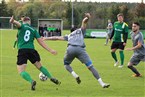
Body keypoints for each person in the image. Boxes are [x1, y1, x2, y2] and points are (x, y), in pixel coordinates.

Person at [43, 13, 110, 88]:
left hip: (70, 49)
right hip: (80, 50)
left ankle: (74, 74)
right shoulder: (81, 31)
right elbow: (84, 22)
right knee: (91, 67)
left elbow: (56, 38)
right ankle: (102, 83)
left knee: (66, 64)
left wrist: (45, 38)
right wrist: (87, 17)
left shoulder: (69, 35)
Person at [9, 16, 61, 91]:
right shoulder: (34, 30)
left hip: (22, 50)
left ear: (23, 21)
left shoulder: (22, 26)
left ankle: (32, 81)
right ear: (29, 22)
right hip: (31, 50)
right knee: (40, 67)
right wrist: (50, 50)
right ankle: (51, 77)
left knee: (21, 71)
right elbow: (41, 41)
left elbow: (18, 24)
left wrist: (13, 21)